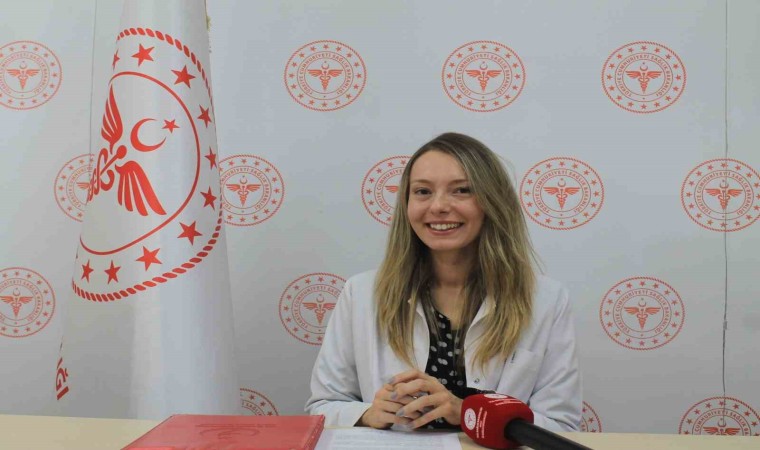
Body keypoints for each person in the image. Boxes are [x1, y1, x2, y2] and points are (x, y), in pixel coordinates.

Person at [305, 132, 581, 432]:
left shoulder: (547, 300)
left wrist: (468, 413)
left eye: (461, 190)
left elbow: (561, 426)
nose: (438, 206)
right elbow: (323, 407)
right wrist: (369, 414)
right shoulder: (360, 294)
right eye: (423, 191)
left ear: (493, 201)